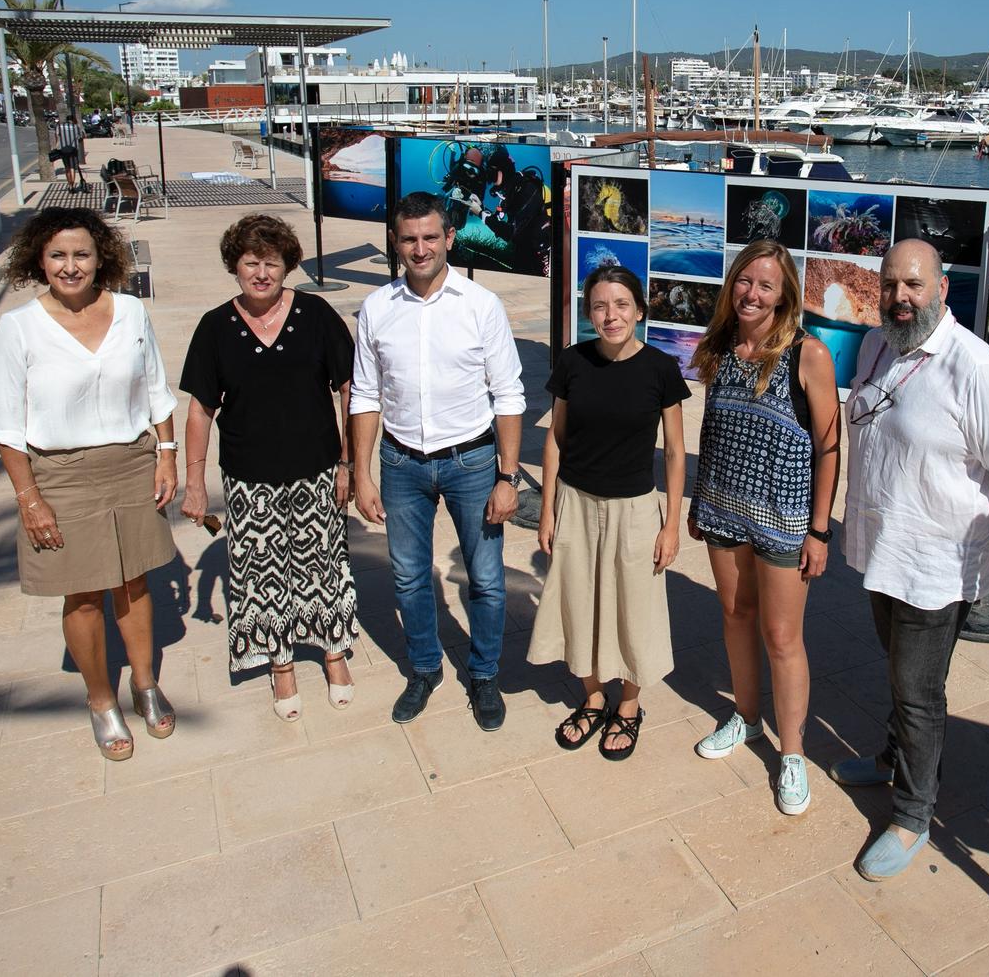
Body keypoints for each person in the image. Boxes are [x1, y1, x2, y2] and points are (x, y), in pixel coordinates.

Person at [835, 239, 989, 879]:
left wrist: (960, 534)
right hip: (881, 552)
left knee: (919, 693)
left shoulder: (975, 370)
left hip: (936, 569)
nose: (900, 297)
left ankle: (913, 814)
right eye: (890, 284)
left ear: (942, 289)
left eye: (914, 286)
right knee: (899, 675)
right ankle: (894, 758)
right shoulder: (878, 346)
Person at [0, 208, 180, 760]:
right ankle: (101, 700)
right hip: (61, 473)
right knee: (83, 593)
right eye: (58, 256)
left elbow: (155, 390)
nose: (70, 267)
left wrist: (165, 457)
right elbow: (6, 427)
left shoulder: (129, 311)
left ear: (102, 259)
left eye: (81, 255)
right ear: (39, 261)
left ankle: (144, 684)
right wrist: (30, 499)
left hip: (130, 462)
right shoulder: (19, 327)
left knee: (134, 583)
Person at [350, 192, 526, 730]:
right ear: (396, 243)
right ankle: (425, 668)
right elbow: (365, 394)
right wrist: (361, 472)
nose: (420, 248)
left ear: (449, 238)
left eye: (430, 237)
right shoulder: (377, 309)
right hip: (402, 464)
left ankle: (485, 673)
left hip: (472, 462)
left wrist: (507, 476)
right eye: (409, 239)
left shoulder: (481, 305)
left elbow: (510, 395)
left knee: (488, 580)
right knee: (406, 577)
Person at [179, 214, 359, 722]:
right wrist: (194, 481)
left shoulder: (317, 315)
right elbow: (199, 409)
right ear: (234, 266)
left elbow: (349, 390)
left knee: (323, 566)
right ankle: (280, 664)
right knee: (260, 575)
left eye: (272, 263)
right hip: (247, 475)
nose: (261, 273)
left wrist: (347, 463)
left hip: (317, 468)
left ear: (287, 266)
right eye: (251, 262)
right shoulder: (215, 327)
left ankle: (333, 653)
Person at [687, 239, 840, 815]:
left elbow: (828, 446)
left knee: (782, 636)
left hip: (784, 518)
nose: (752, 293)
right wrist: (700, 502)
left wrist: (820, 531)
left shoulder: (808, 355)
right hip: (724, 506)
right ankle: (747, 718)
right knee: (735, 616)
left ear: (785, 296)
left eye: (765, 285)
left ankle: (793, 753)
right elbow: (713, 428)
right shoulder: (720, 346)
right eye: (744, 281)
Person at [529, 264, 689, 759]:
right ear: (588, 313)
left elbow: (677, 452)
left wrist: (670, 526)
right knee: (578, 602)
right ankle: (594, 698)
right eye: (599, 306)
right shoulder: (573, 362)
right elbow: (556, 439)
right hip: (576, 503)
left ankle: (628, 707)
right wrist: (548, 511)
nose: (610, 315)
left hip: (635, 508)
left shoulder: (661, 368)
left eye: (621, 304)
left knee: (633, 608)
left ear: (639, 310)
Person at [54, 112, 86, 192]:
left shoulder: (59, 126)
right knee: (72, 167)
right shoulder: (76, 127)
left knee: (67, 167)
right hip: (73, 149)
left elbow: (57, 136)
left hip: (63, 149)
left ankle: (70, 185)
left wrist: (57, 145)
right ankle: (72, 184)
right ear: (73, 120)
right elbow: (81, 137)